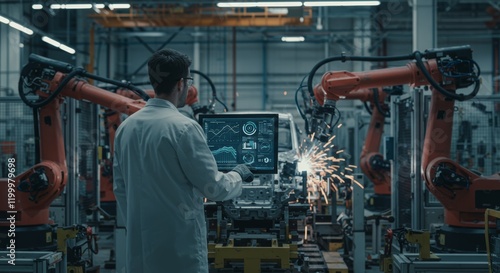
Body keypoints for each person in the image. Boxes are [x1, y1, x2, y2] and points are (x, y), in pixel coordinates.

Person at [113, 48, 254, 273]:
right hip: (178, 250)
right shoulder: (184, 128)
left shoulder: (126, 128)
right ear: (180, 84)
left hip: (139, 247)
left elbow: (120, 188)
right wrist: (238, 174)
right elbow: (215, 188)